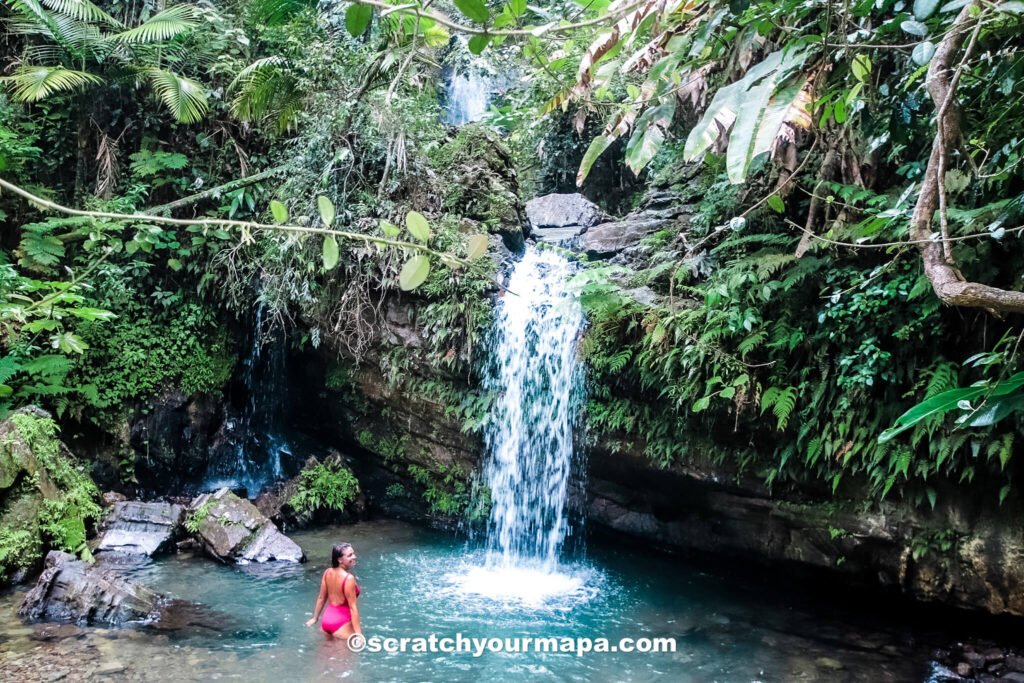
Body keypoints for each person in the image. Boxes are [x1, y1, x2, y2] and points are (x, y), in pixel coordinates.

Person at [306, 543, 362, 640]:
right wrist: (358, 634)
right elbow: (353, 608)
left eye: (353, 553)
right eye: (350, 555)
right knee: (351, 653)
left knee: (325, 654)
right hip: (341, 622)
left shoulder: (327, 572)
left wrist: (315, 618)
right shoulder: (349, 578)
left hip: (326, 620)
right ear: (339, 560)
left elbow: (321, 597)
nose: (354, 557)